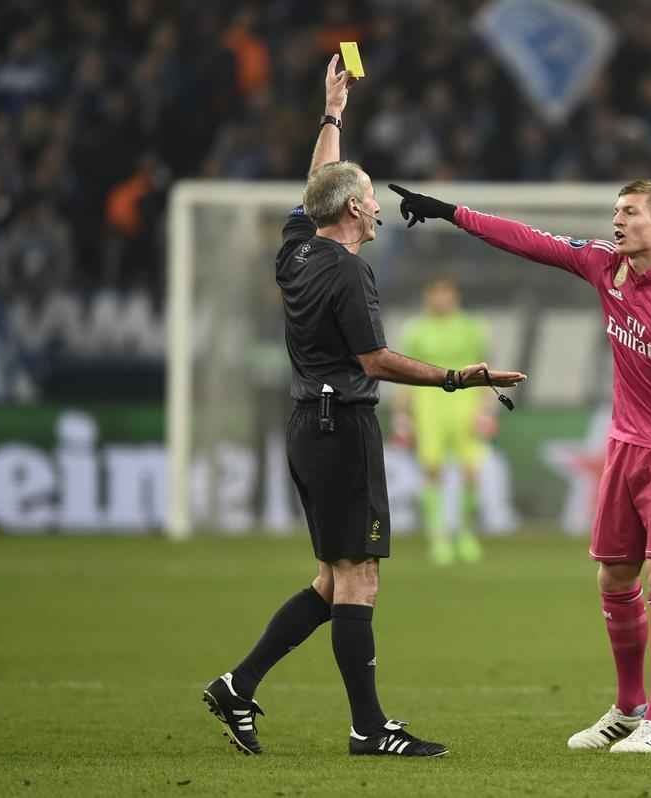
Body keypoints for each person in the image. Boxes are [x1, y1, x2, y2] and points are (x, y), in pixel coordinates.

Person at [201, 57, 525, 759]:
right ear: (354, 210)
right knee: (360, 578)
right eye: (371, 197)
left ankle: (239, 685)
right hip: (341, 426)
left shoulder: (295, 251)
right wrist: (455, 378)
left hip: (306, 424)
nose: (379, 206)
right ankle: (369, 729)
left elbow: (320, 187)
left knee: (331, 580)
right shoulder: (349, 271)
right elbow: (375, 361)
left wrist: (332, 114)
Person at [388, 179, 651, 754]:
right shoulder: (602, 265)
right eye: (615, 211)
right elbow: (527, 241)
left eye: (631, 212)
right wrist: (449, 213)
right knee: (614, 578)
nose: (618, 221)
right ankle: (628, 707)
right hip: (624, 447)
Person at [394, 276, 493, 565]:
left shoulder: (472, 328)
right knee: (433, 470)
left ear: (455, 296)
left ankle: (465, 533)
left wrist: (486, 409)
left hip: (466, 407)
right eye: (435, 294)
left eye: (445, 294)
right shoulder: (416, 330)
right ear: (428, 297)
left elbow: (486, 372)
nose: (440, 299)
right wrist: (402, 414)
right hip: (429, 408)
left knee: (471, 471)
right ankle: (438, 537)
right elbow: (403, 374)